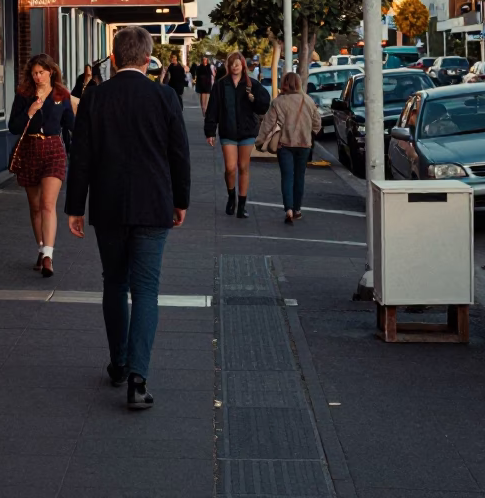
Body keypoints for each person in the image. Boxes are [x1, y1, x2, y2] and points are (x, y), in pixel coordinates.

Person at [65, 25, 190, 411]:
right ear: (149, 59)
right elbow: (179, 154)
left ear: (115, 58)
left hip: (108, 205)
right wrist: (180, 201)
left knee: (115, 284)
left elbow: (81, 156)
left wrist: (74, 207)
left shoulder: (95, 98)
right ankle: (138, 377)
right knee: (146, 290)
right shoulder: (165, 97)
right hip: (154, 205)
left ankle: (118, 363)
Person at [8, 53, 75, 277]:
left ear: (51, 72)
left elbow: (71, 125)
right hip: (30, 149)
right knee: (35, 206)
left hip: (54, 149)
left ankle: (48, 255)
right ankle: (40, 246)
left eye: (41, 72)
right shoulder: (24, 95)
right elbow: (13, 127)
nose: (38, 77)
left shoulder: (61, 95)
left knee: (48, 204)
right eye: (34, 73)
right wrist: (29, 112)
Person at [204, 50, 270, 218]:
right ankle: (231, 196)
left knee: (243, 167)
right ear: (228, 66)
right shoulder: (220, 85)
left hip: (247, 131)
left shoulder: (252, 84)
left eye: (238, 64)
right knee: (230, 168)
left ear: (243, 66)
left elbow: (264, 106)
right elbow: (213, 109)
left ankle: (242, 205)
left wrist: (254, 99)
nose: (235, 67)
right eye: (232, 64)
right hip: (228, 130)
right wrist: (210, 131)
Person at [256, 72, 321, 224]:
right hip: (304, 145)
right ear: (299, 83)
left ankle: (289, 209)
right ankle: (297, 209)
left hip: (284, 145)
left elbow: (268, 124)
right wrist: (309, 132)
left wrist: (260, 142)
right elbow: (317, 124)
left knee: (287, 177)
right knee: (299, 177)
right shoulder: (308, 100)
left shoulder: (278, 102)